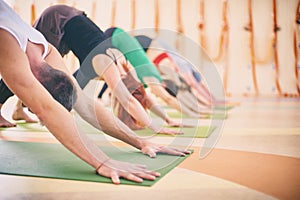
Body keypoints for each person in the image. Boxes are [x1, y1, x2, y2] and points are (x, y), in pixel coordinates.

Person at [0, 1, 190, 184]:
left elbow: (85, 104)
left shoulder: (46, 48)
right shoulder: (8, 42)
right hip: (58, 19)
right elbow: (46, 109)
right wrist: (102, 162)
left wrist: (141, 142)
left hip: (65, 20)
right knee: (18, 80)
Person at [33, 4, 183, 133]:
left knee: (57, 79)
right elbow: (129, 100)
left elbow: (141, 97)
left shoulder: (118, 71)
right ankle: (27, 106)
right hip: (59, 17)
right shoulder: (112, 65)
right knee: (38, 64)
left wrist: (167, 119)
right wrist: (155, 126)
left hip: (70, 25)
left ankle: (21, 108)